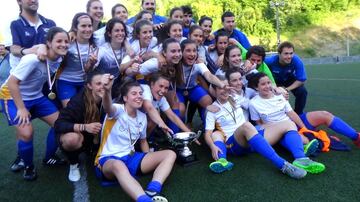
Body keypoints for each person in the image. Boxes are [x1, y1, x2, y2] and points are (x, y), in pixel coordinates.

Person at [0, 27, 69, 181]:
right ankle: (28, 165)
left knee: (61, 124)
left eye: (66, 41)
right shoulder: (32, 59)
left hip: (36, 96)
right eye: (59, 41)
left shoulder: (58, 59)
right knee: (26, 132)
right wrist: (21, 108)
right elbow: (12, 83)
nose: (64, 44)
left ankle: (49, 157)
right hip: (11, 96)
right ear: (49, 43)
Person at [204, 76, 307, 179]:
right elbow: (208, 134)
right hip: (234, 144)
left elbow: (257, 101)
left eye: (226, 87)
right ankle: (283, 165)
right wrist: (212, 146)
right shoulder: (212, 110)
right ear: (214, 90)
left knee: (288, 123)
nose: (225, 90)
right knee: (241, 127)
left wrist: (277, 91)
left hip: (251, 138)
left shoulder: (235, 98)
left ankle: (301, 158)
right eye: (221, 87)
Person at [95, 76, 176, 202]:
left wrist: (148, 158)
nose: (139, 96)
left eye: (140, 93)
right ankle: (144, 200)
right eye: (134, 93)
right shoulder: (117, 110)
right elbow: (107, 107)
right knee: (119, 166)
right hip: (109, 159)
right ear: (125, 98)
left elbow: (143, 141)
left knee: (170, 154)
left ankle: (153, 189)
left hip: (131, 158)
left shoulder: (142, 117)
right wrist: (107, 91)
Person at [247, 72, 326, 174]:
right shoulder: (253, 103)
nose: (267, 86)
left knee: (303, 138)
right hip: (273, 130)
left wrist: (304, 128)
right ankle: (301, 157)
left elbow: (292, 114)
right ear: (256, 87)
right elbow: (260, 124)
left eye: (268, 82)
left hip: (290, 128)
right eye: (263, 84)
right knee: (300, 139)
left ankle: (301, 154)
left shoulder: (279, 96)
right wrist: (276, 129)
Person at [55, 70, 104, 182]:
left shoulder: (110, 97)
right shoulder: (78, 101)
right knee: (72, 139)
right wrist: (84, 127)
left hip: (97, 135)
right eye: (98, 84)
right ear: (89, 86)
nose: (102, 87)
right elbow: (58, 124)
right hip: (83, 135)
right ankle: (73, 164)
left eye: (104, 84)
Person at [57, 13, 97, 107]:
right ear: (75, 28)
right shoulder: (68, 42)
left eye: (89, 26)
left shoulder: (95, 43)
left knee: (88, 111)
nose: (87, 29)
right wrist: (68, 34)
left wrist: (91, 63)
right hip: (66, 81)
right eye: (83, 26)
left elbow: (87, 69)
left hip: (84, 82)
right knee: (71, 111)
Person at [264, 41, 307, 114]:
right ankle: (272, 113)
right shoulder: (269, 61)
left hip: (288, 78)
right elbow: (259, 66)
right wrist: (274, 87)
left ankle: (298, 113)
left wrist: (286, 89)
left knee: (302, 91)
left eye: (291, 53)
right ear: (279, 54)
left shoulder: (296, 60)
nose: (289, 56)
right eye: (286, 53)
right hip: (274, 80)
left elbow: (301, 79)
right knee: (270, 93)